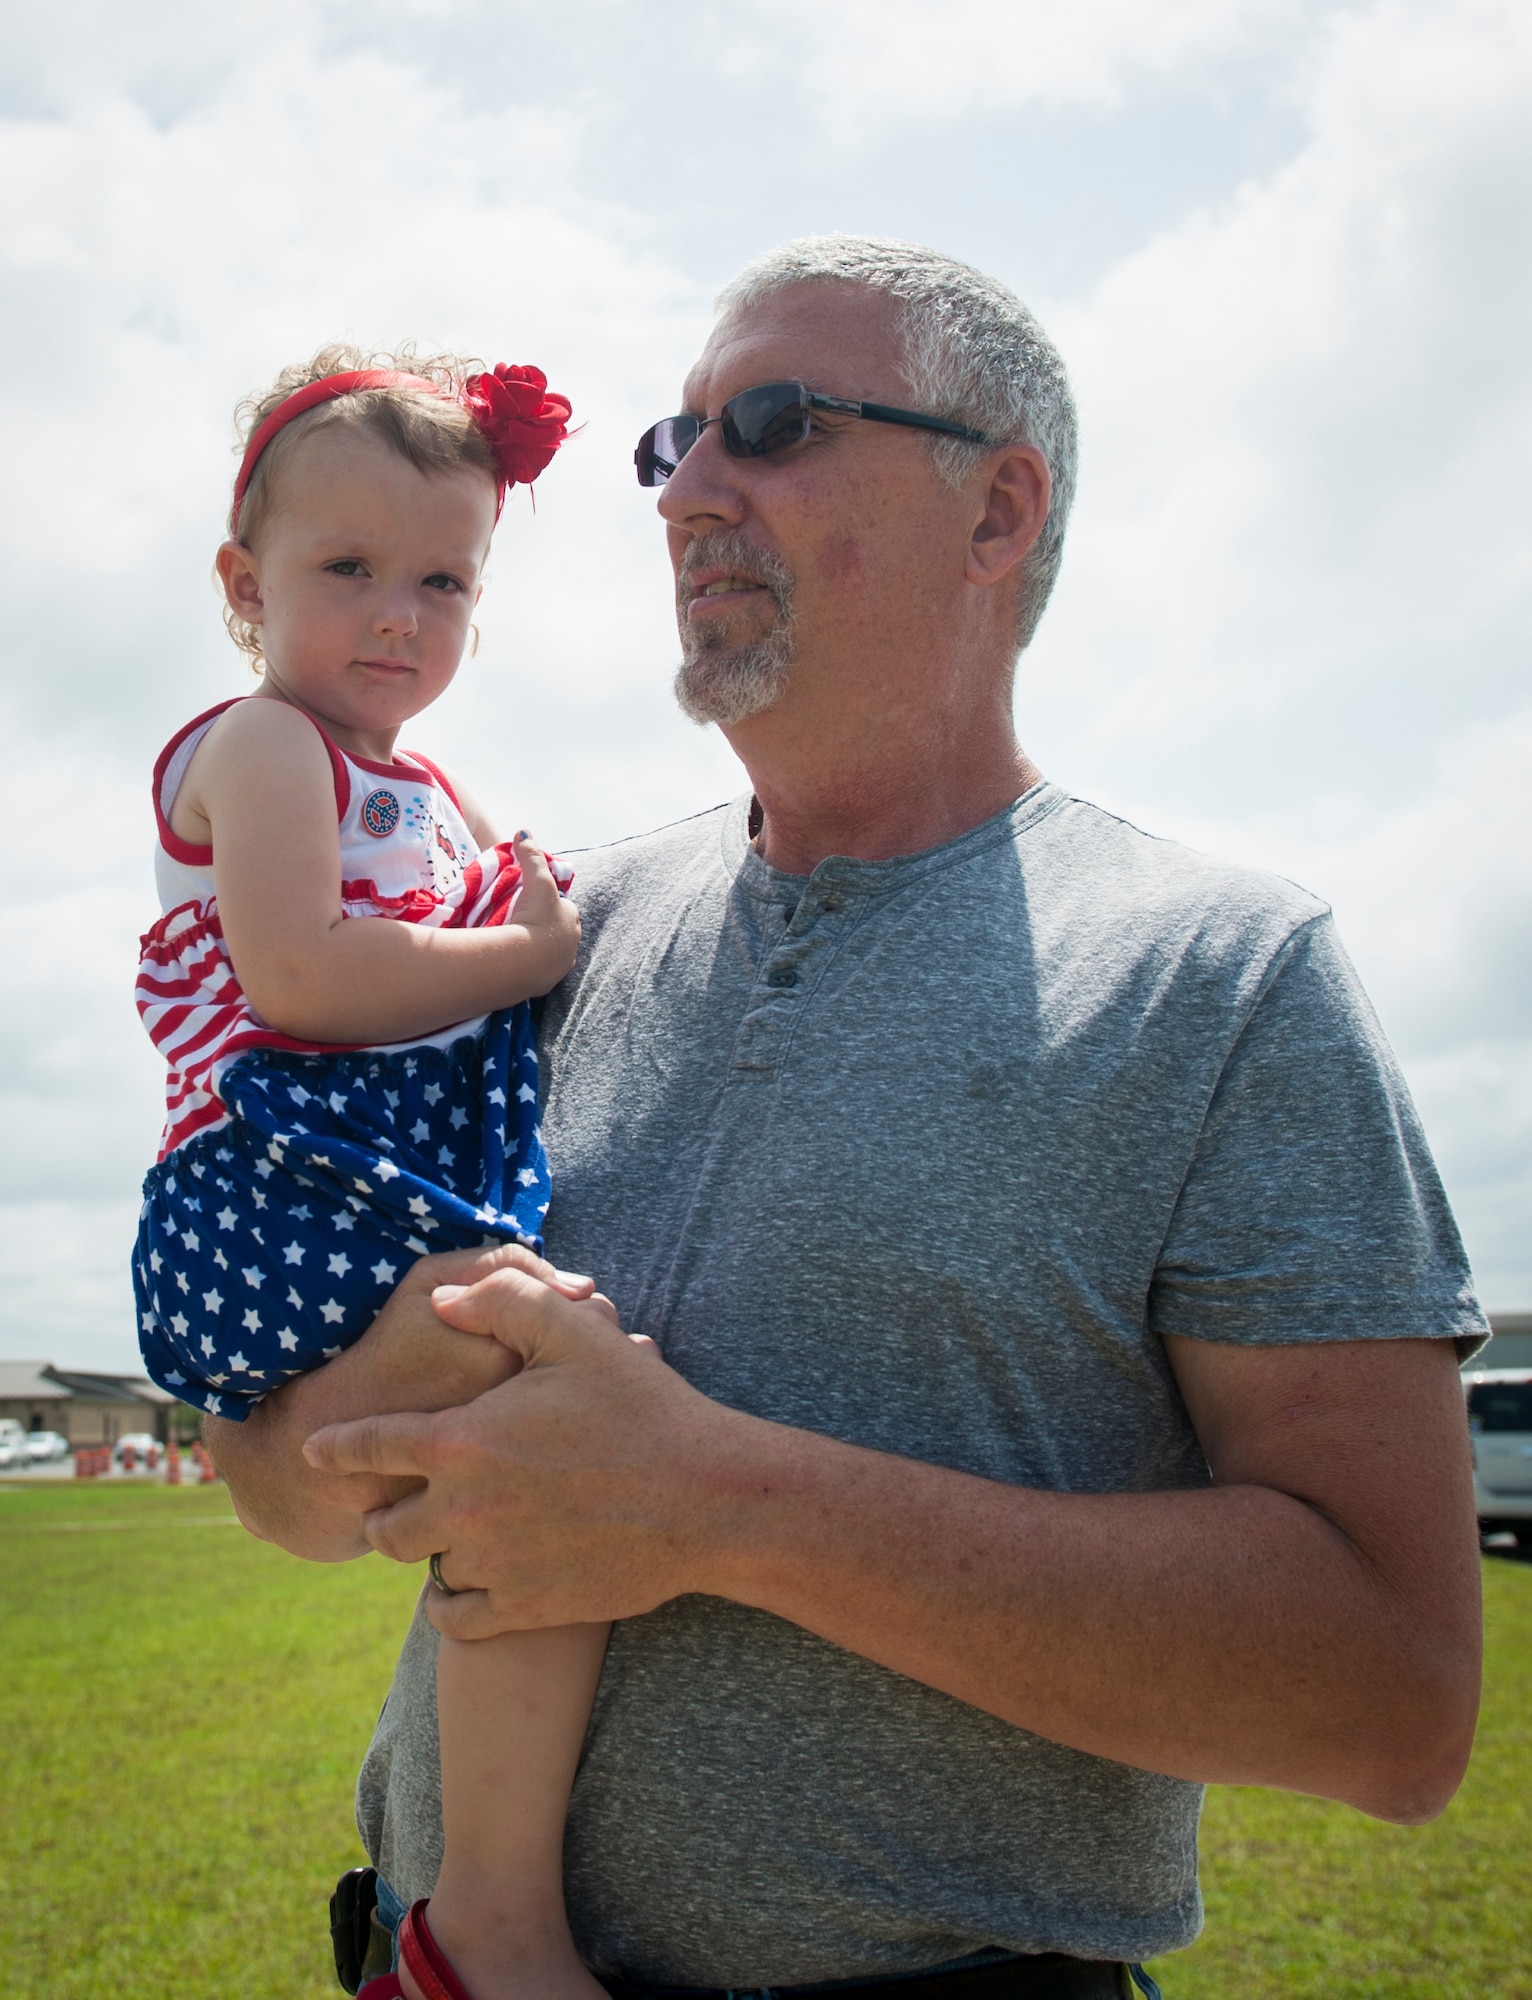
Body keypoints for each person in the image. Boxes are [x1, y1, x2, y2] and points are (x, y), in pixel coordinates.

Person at [209, 239, 1487, 2000]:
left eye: (773, 424)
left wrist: (721, 1502)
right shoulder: (530, 938)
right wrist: (322, 1444)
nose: (684, 496)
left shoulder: (1226, 977)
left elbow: (1395, 1696)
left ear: (998, 511)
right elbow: (277, 1469)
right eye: (674, 446)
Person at [133, 348, 621, 2000]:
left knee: (549, 1472)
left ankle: (488, 1909)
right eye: (346, 569)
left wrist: (527, 915)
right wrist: (521, 949)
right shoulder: (268, 745)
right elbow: (307, 981)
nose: (397, 615)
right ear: (240, 584)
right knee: (548, 1392)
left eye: (443, 579)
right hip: (274, 1194)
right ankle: (495, 1921)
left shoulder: (432, 786)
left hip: (374, 1184)